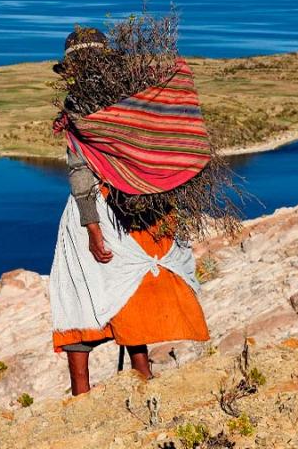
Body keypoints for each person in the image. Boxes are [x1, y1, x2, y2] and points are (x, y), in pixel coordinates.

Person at [49, 28, 210, 396]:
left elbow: (80, 173)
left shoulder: (79, 107)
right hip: (146, 208)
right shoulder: (136, 98)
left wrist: (92, 228)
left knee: (80, 291)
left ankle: (82, 393)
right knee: (133, 289)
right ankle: (142, 375)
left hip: (99, 210)